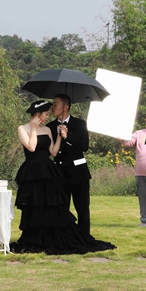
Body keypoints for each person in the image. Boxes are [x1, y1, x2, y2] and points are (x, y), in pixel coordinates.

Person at [11, 99, 116, 255]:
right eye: (46, 113)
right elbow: (31, 147)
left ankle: (60, 235)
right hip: (32, 172)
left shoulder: (48, 129)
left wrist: (61, 136)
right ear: (38, 114)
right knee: (34, 205)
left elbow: (53, 152)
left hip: (49, 171)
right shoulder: (23, 128)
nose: (48, 116)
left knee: (52, 205)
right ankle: (34, 236)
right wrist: (33, 128)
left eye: (49, 113)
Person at [47, 93, 92, 236]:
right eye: (53, 104)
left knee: (82, 208)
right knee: (61, 208)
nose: (53, 107)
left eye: (56, 104)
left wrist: (67, 136)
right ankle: (64, 237)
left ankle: (84, 237)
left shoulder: (79, 124)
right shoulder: (50, 127)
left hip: (79, 173)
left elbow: (84, 146)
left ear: (66, 107)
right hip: (59, 173)